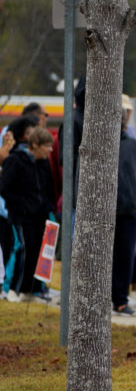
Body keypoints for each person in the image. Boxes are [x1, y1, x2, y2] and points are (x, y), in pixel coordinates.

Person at [0, 124, 55, 301]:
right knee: (23, 249)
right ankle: (11, 289)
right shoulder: (16, 160)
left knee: (38, 252)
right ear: (36, 145)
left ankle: (31, 290)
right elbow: (5, 188)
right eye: (47, 145)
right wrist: (22, 206)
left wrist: (47, 207)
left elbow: (47, 188)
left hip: (39, 216)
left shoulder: (43, 163)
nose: (50, 149)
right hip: (21, 216)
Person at [111, 105, 136, 317]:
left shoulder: (132, 145)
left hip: (129, 210)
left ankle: (121, 300)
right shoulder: (98, 144)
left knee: (126, 256)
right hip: (104, 213)